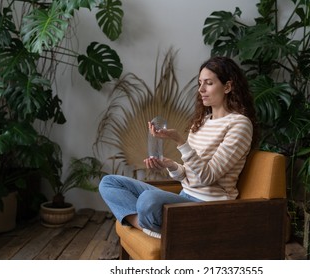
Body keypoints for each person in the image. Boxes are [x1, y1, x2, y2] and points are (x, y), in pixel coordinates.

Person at [99, 56, 259, 239]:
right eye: (200, 83)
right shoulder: (202, 122)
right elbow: (189, 176)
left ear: (228, 87)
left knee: (148, 201)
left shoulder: (239, 125)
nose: (201, 90)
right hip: (184, 197)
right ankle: (150, 229)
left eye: (209, 83)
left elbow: (208, 177)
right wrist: (171, 166)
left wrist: (180, 141)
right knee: (109, 183)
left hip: (208, 206)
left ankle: (157, 230)